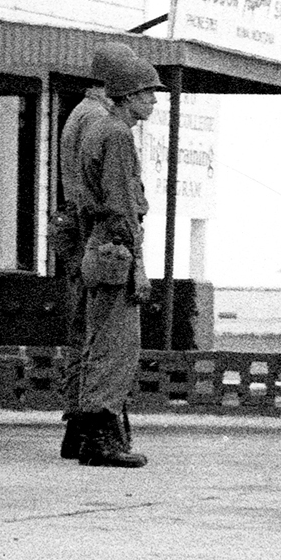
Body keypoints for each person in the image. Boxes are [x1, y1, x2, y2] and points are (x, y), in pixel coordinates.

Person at [62, 47, 163, 467]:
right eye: (147, 93)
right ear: (128, 95)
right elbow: (122, 208)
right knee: (116, 345)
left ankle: (86, 435)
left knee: (94, 340)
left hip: (94, 245)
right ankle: (102, 439)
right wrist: (139, 265)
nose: (153, 101)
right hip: (114, 248)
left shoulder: (91, 126)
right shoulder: (117, 134)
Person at [50, 44, 130, 461]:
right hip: (93, 233)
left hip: (79, 230)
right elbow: (108, 192)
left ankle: (78, 429)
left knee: (84, 330)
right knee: (104, 336)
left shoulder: (79, 114)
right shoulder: (102, 120)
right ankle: (95, 430)